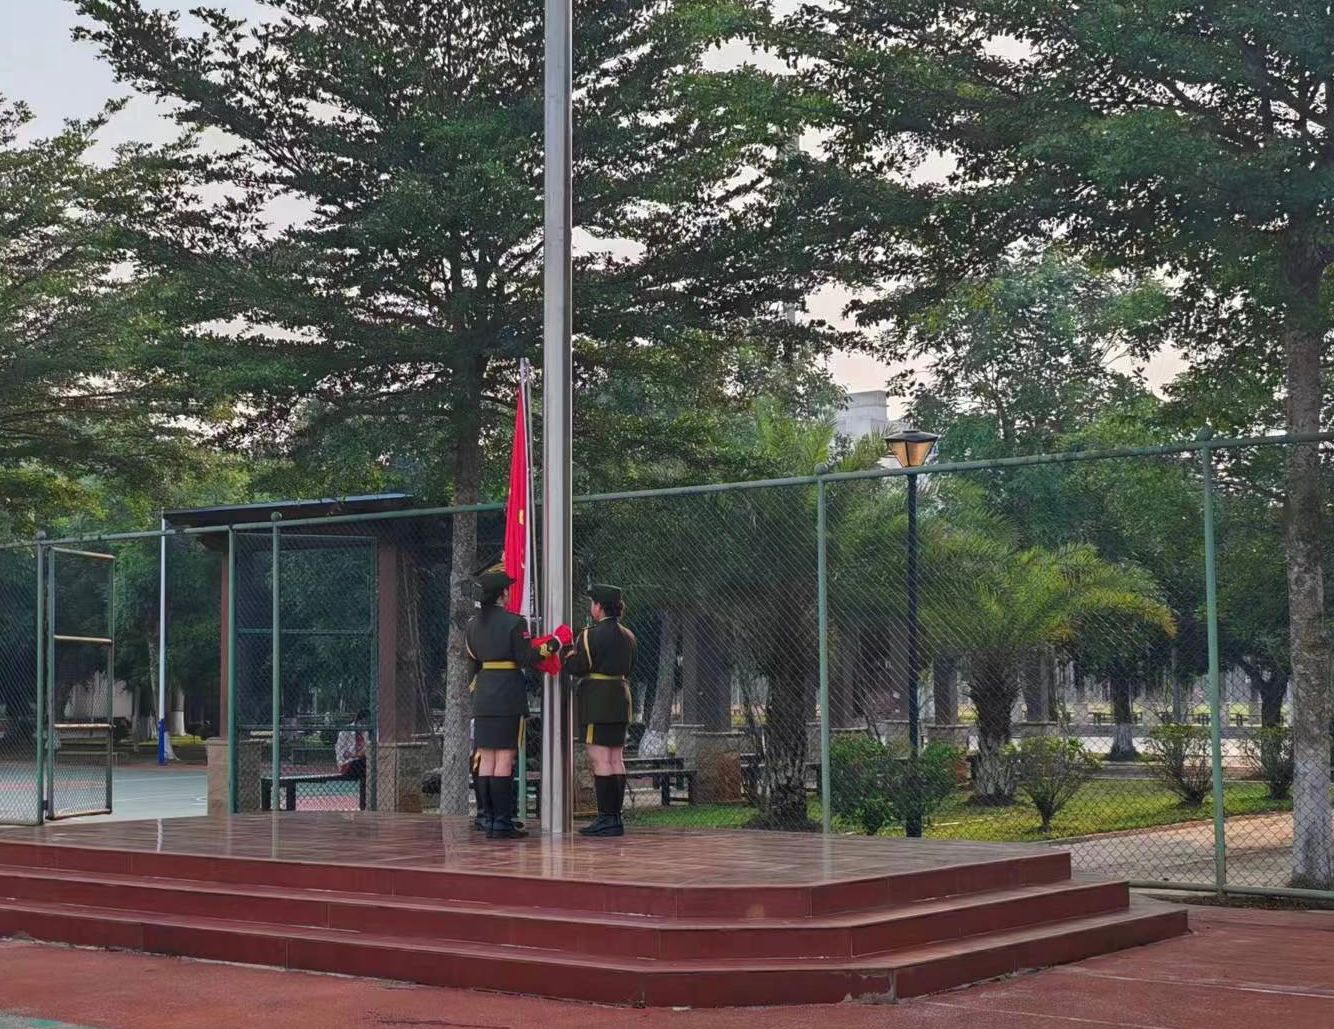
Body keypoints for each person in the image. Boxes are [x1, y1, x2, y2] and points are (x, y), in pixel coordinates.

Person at [464, 562, 567, 840]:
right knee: (505, 758)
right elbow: (527, 657)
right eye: (507, 591)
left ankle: (488, 819)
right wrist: (555, 643)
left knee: (486, 758)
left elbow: (472, 661)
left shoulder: (471, 625)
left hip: (483, 695)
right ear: (502, 595)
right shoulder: (514, 622)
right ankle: (502, 822)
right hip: (507, 694)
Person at [564, 584, 637, 837]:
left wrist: (566, 652)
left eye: (592, 603)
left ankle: (606, 818)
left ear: (598, 607)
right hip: (621, 699)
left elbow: (577, 666)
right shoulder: (628, 635)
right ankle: (615, 817)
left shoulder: (589, 635)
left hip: (597, 701)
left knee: (601, 759)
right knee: (616, 758)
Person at [334, 709, 369, 780]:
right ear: (357, 721)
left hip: (361, 762)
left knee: (367, 764)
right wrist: (357, 755)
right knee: (360, 763)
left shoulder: (365, 733)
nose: (364, 726)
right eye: (362, 723)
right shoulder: (345, 731)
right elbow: (342, 753)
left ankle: (365, 787)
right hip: (347, 764)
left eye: (366, 724)